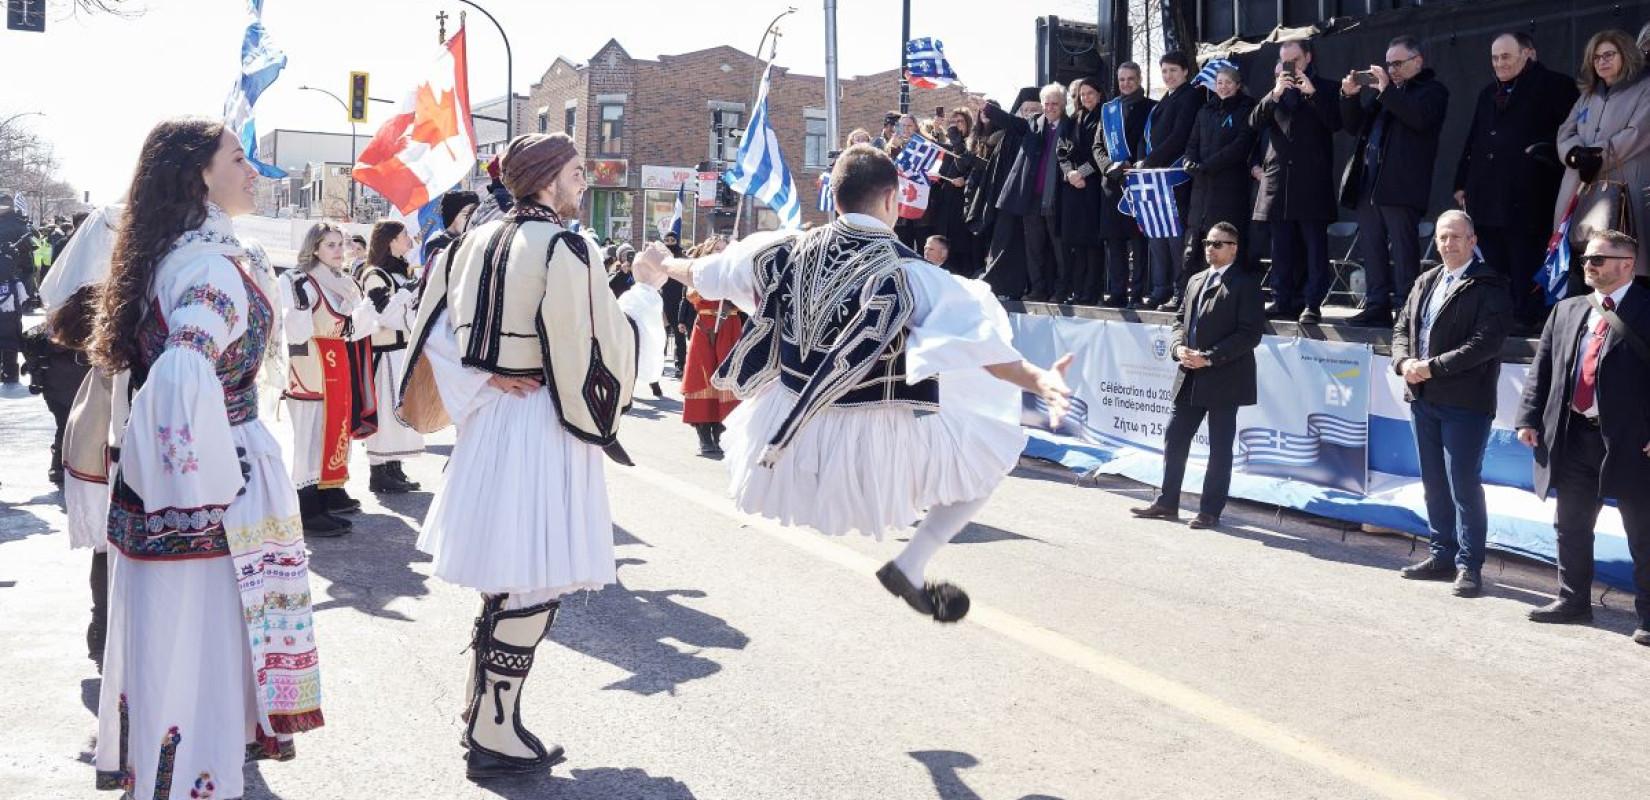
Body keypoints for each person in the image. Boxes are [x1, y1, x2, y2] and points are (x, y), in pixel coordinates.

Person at [633, 144, 1073, 622]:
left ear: (834, 199)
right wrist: (1038, 378)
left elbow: (706, 273)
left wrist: (662, 264)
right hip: (872, 425)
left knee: (976, 447)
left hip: (785, 420)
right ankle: (912, 562)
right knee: (990, 455)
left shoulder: (780, 250)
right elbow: (985, 350)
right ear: (893, 199)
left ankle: (905, 565)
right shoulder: (915, 275)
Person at [88, 116, 324, 799]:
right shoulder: (212, 269)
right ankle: (195, 782)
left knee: (180, 652)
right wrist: (207, 487)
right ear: (201, 175)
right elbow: (187, 368)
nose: (253, 171)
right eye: (238, 157)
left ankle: (176, 778)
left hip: (181, 485)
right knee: (203, 652)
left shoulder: (179, 254)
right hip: (213, 492)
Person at [397, 132, 638, 778]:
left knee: (510, 574)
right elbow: (598, 341)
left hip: (493, 423)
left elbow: (431, 334)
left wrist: (483, 377)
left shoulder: (467, 242)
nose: (583, 180)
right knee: (537, 578)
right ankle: (494, 727)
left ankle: (485, 714)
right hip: (544, 423)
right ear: (545, 179)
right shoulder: (567, 246)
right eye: (575, 171)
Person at [1515, 230, 1650, 646]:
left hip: (1632, 441)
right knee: (1571, 525)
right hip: (1573, 436)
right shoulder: (1569, 309)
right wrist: (1529, 417)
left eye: (1598, 259)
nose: (1588, 265)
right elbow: (1543, 367)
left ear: (1627, 264)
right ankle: (1573, 601)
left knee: (1643, 531)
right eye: (1586, 259)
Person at [1390, 211, 1512, 596]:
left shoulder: (1490, 284)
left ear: (1473, 241)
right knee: (1433, 483)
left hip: (1465, 402)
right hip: (1422, 398)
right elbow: (1401, 328)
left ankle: (1469, 565)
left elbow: (1485, 343)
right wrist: (1403, 362)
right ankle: (1442, 554)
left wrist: (1432, 368)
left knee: (1463, 483)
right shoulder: (1426, 281)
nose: (1448, 244)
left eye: (1456, 237)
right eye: (1443, 237)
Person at [1130, 222, 1262, 529]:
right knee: (1175, 437)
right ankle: (1167, 502)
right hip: (1189, 375)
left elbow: (1249, 334)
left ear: (1234, 248)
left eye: (1218, 244)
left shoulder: (1246, 284)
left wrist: (1210, 358)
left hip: (1225, 378)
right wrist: (1177, 348)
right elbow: (1179, 321)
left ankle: (1210, 510)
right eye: (1207, 243)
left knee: (1219, 447)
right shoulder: (1195, 280)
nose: (1210, 249)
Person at [36, 203, 122, 667]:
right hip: (108, 411)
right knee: (111, 536)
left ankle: (105, 625)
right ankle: (104, 625)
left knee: (112, 538)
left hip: (106, 411)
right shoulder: (103, 296)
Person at [1452, 33, 1578, 332]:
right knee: (1493, 261)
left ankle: (1528, 317)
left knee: (1524, 258)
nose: (1500, 63)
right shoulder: (1487, 93)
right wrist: (1461, 181)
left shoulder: (1556, 85)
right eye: (1495, 58)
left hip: (1530, 193)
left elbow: (1567, 134)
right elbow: (1473, 140)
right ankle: (1498, 318)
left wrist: (1538, 156)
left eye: (1506, 56)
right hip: (1486, 192)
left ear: (1528, 54)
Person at [1339, 35, 1451, 326]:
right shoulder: (1385, 95)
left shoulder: (1432, 90)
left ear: (1418, 61)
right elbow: (1354, 127)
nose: (1392, 70)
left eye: (1398, 63)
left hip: (1401, 185)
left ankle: (1407, 308)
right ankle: (1376, 304)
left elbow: (1419, 119)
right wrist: (1349, 97)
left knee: (1404, 250)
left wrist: (1387, 90)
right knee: (1372, 247)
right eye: (1388, 64)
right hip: (1369, 182)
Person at [278, 222, 379, 536]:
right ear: (315, 248)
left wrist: (372, 307)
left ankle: (322, 504)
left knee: (328, 438)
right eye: (330, 245)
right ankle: (306, 510)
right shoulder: (300, 281)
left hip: (335, 367)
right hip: (310, 368)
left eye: (340, 244)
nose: (338, 251)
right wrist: (298, 307)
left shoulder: (344, 284)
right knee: (308, 441)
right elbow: (295, 333)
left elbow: (351, 332)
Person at [1554, 29, 1650, 283]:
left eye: (1609, 55)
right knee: (1588, 266)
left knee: (1627, 265)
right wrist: (1575, 154)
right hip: (1583, 189)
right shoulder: (1587, 96)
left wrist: (1596, 157)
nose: (1602, 62)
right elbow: (1565, 132)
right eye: (1596, 58)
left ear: (1626, 56)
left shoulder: (1645, 88)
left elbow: (1638, 132)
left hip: (1626, 187)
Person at [985, 84, 1074, 301]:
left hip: (1058, 197)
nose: (1050, 108)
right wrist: (988, 109)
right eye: (1047, 104)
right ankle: (1038, 289)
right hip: (1033, 197)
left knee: (1059, 249)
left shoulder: (1072, 126)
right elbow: (1012, 122)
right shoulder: (1035, 123)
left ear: (1063, 105)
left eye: (1055, 103)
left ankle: (1062, 290)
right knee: (1034, 248)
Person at [356, 221, 423, 494]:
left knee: (398, 411)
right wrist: (408, 294)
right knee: (385, 412)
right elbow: (384, 315)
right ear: (391, 240)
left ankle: (394, 466)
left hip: (401, 351)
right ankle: (379, 472)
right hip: (384, 354)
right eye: (404, 234)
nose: (409, 238)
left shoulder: (400, 272)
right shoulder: (375, 274)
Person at [1139, 52, 1204, 311]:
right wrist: (1143, 160)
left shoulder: (1191, 96)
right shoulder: (1163, 100)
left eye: (1173, 71)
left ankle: (1180, 290)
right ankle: (1160, 288)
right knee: (1157, 235)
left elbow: (1179, 137)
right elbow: (1146, 137)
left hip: (1175, 176)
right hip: (1154, 177)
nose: (1168, 76)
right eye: (1164, 71)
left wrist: (1150, 160)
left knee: (1176, 237)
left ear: (1186, 72)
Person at [1182, 66, 1258, 282]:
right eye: (1219, 83)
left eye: (1228, 82)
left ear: (1237, 85)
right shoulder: (1205, 110)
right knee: (1197, 240)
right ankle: (1192, 290)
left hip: (1230, 188)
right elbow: (1192, 142)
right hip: (1202, 189)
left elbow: (1240, 146)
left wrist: (1207, 165)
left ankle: (1228, 290)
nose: (1223, 87)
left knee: (1225, 239)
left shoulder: (1247, 109)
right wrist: (1190, 160)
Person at [966, 89, 1040, 299]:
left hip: (1032, 199)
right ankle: (998, 285)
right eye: (1025, 110)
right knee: (1003, 241)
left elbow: (1012, 122)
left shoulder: (1034, 129)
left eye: (1034, 110)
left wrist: (987, 107)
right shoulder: (1008, 135)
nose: (1029, 114)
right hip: (1008, 199)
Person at [1094, 63, 1155, 308]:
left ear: (1139, 79)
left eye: (1131, 78)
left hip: (1138, 180)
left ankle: (1137, 293)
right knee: (1115, 241)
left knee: (1138, 241)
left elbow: (1150, 140)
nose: (1126, 83)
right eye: (1122, 79)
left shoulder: (1151, 107)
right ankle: (1117, 292)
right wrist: (1108, 166)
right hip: (1112, 183)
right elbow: (1097, 146)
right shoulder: (1108, 110)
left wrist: (1135, 163)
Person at [680, 237, 742, 459]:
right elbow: (692, 296)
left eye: (724, 250)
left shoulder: (736, 273)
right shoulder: (699, 271)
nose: (720, 253)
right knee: (702, 379)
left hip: (731, 326)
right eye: (716, 249)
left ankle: (722, 434)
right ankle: (705, 437)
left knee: (728, 379)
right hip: (706, 326)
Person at [1058, 77, 1107, 304]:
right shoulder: (1073, 119)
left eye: (1090, 93)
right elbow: (1062, 151)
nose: (1085, 97)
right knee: (1075, 243)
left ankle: (1092, 292)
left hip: (1093, 186)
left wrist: (1083, 173)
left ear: (1098, 94)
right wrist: (1070, 173)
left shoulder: (1104, 117)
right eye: (1081, 94)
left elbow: (1101, 153)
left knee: (1091, 243)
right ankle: (1077, 291)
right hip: (1072, 187)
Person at [0, 194, 32, 383]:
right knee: (10, 328)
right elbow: (29, 265)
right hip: (11, 286)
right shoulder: (21, 227)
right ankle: (10, 371)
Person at [421, 189, 479, 267]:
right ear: (452, 216)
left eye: (475, 214)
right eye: (467, 215)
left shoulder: (476, 238)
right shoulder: (436, 244)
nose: (472, 219)